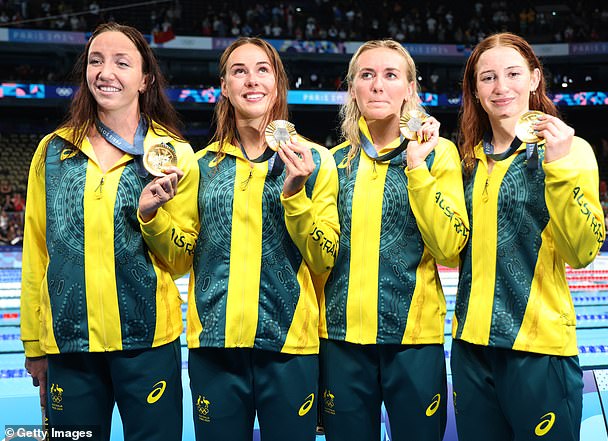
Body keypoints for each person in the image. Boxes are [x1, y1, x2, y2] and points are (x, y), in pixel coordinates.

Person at [20, 22, 199, 440]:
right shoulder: (52, 151)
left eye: (122, 62)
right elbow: (37, 252)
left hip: (148, 345)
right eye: (96, 61)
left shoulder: (175, 155)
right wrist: (34, 345)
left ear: (145, 79)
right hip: (69, 343)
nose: (106, 72)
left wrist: (153, 217)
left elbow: (181, 260)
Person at [451, 32, 605, 441]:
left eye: (513, 73)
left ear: (535, 78)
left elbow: (583, 251)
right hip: (470, 349)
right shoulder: (467, 162)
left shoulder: (571, 152)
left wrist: (558, 169)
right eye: (487, 78)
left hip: (538, 350)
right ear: (476, 91)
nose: (501, 87)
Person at [186, 37, 340, 441]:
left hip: (290, 348)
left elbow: (324, 257)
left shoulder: (317, 160)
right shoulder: (202, 166)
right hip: (215, 347)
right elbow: (178, 256)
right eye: (239, 70)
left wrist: (296, 196)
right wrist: (150, 217)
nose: (251, 80)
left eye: (262, 69)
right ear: (224, 86)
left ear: (277, 83)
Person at [319, 39, 469, 441]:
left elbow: (450, 248)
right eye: (366, 76)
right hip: (340, 339)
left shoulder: (441, 154)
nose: (377, 86)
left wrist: (418, 168)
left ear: (409, 88)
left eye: (390, 75)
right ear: (352, 88)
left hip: (413, 341)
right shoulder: (333, 162)